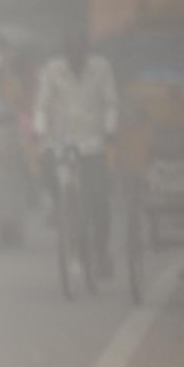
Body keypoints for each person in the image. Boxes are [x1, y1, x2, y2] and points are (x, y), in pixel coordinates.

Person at [34, 30, 119, 277]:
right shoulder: (52, 71)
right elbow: (41, 106)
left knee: (99, 200)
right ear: (65, 52)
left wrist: (110, 129)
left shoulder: (101, 68)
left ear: (86, 51)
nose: (75, 56)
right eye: (71, 51)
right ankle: (57, 206)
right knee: (47, 166)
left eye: (79, 51)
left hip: (92, 145)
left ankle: (101, 252)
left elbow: (111, 103)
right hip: (61, 143)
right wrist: (40, 130)